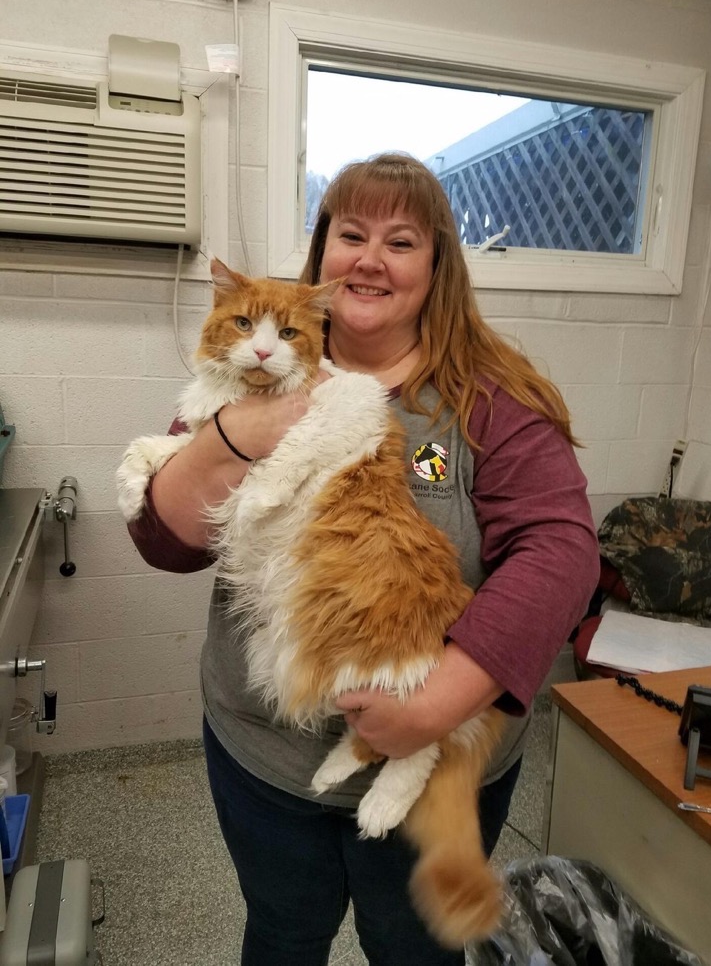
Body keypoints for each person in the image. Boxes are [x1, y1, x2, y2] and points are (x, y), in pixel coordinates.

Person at [126, 152, 600, 966]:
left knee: (412, 948)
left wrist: (431, 709)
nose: (371, 258)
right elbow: (165, 540)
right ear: (323, 251)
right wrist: (233, 436)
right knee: (281, 932)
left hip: (439, 735)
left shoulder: (492, 398)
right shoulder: (258, 361)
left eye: (403, 241)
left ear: (437, 265)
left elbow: (561, 551)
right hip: (266, 753)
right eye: (352, 233)